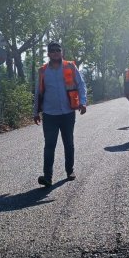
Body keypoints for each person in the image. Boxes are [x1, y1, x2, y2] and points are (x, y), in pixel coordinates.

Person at [33, 41, 87, 187]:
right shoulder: (43, 71)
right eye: (52, 50)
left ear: (61, 52)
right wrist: (35, 112)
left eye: (58, 50)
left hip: (68, 113)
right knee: (49, 145)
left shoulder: (70, 66)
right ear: (49, 53)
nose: (55, 52)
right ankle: (47, 177)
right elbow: (38, 92)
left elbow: (81, 84)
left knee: (68, 143)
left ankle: (70, 171)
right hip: (49, 114)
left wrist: (83, 102)